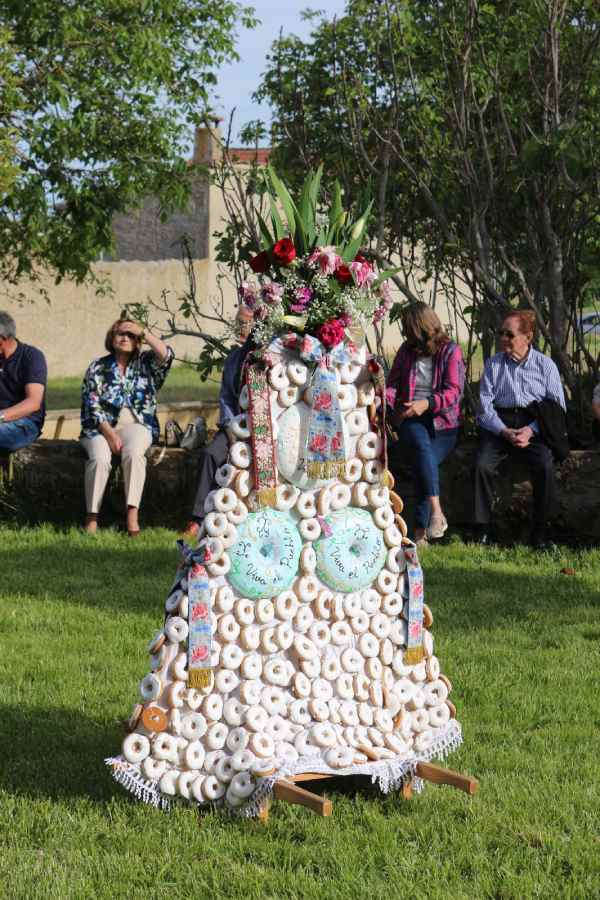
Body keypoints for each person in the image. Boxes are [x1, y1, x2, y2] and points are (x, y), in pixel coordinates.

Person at [474, 309, 566, 547]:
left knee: (545, 464)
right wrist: (503, 431)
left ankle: (540, 532)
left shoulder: (545, 366)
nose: (503, 338)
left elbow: (558, 408)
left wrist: (531, 430)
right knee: (482, 465)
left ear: (528, 337)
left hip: (534, 423)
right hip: (500, 424)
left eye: (509, 334)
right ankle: (484, 529)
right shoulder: (494, 364)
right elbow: (484, 407)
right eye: (501, 333)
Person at [80, 319, 173, 535]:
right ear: (111, 338)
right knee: (100, 459)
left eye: (131, 335)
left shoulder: (147, 363)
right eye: (120, 333)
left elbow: (167, 355)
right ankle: (92, 518)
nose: (125, 338)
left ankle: (132, 515)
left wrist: (143, 332)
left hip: (137, 425)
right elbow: (91, 404)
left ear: (138, 341)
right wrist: (110, 434)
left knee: (133, 453)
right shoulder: (97, 367)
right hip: (100, 428)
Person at [387, 302, 465, 545]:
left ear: (421, 327)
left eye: (407, 328)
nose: (404, 333)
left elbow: (454, 392)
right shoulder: (406, 351)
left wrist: (428, 404)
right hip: (411, 416)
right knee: (421, 445)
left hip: (443, 423)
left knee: (425, 457)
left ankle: (420, 534)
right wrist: (385, 402)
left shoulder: (450, 351)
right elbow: (392, 385)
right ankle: (437, 513)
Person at [182, 306, 254, 538]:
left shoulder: (271, 356)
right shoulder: (234, 358)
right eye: (239, 322)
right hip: (236, 426)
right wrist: (230, 428)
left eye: (247, 323)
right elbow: (226, 397)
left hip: (265, 429)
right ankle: (198, 518)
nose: (242, 327)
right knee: (212, 453)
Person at [0, 311, 47, 451]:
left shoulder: (32, 356)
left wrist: (1, 416)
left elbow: (33, 403)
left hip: (26, 423)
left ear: (2, 339)